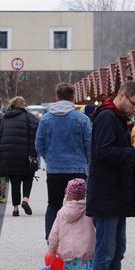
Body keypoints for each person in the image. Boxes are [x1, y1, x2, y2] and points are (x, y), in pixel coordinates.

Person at [86, 80, 135, 270]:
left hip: (117, 195)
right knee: (105, 250)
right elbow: (103, 152)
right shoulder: (106, 117)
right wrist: (134, 153)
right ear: (122, 96)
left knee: (118, 249)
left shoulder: (117, 117)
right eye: (134, 105)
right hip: (106, 194)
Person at [35, 83, 91, 238]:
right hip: (78, 170)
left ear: (56, 97)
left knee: (53, 204)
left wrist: (50, 159)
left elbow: (39, 145)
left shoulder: (45, 119)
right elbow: (89, 145)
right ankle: (77, 238)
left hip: (55, 170)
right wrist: (87, 162)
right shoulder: (82, 119)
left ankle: (51, 239)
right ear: (73, 98)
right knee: (78, 206)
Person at [47, 178, 95, 270]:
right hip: (85, 250)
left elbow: (54, 234)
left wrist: (51, 250)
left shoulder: (62, 212)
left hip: (68, 251)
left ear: (67, 194)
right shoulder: (89, 210)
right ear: (84, 193)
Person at [0, 97, 39, 217]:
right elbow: (38, 130)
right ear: (23, 105)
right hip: (26, 154)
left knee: (15, 181)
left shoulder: (5, 118)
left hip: (9, 155)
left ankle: (15, 208)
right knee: (28, 177)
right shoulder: (29, 117)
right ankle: (25, 200)